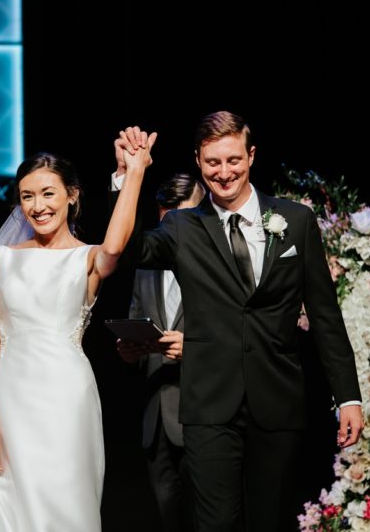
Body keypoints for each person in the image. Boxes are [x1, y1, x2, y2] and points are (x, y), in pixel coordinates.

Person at [113, 115, 363, 532]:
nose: (224, 172)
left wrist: (348, 397)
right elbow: (128, 249)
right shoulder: (181, 226)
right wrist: (130, 178)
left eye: (233, 159)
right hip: (209, 404)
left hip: (278, 400)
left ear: (251, 155)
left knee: (271, 522)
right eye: (212, 162)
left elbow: (324, 316)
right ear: (198, 160)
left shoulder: (296, 220)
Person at [0, 140, 154, 532]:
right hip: (10, 398)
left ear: (72, 196)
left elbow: (116, 244)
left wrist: (133, 173)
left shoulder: (87, 258)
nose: (38, 206)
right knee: (7, 505)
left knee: (66, 504)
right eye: (27, 197)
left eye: (48, 193)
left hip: (68, 400)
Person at [116, 172, 205, 532]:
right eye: (167, 218)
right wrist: (129, 352)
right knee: (168, 520)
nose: (174, 228)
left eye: (184, 217)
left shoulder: (214, 266)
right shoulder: (146, 267)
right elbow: (138, 320)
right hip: (157, 422)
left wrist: (193, 349)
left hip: (203, 414)